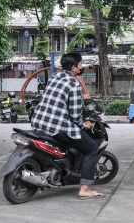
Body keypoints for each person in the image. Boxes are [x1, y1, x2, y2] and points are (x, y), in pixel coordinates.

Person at [31, 53, 103, 200]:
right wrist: (85, 124)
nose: (82, 67)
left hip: (38, 122)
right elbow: (75, 116)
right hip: (58, 127)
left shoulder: (54, 77)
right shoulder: (74, 85)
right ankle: (85, 189)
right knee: (91, 149)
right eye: (81, 64)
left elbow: (56, 97)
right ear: (74, 67)